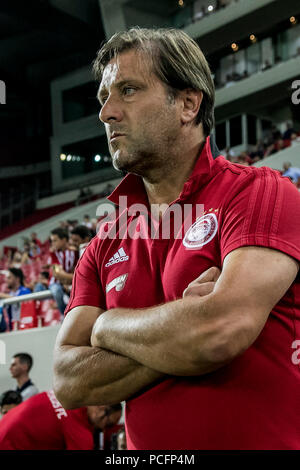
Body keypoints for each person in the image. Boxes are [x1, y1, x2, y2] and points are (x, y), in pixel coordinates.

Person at [53, 28, 300, 450]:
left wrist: (108, 326)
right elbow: (67, 380)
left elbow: (219, 332)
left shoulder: (260, 192)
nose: (107, 113)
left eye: (127, 90)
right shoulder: (104, 244)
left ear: (188, 104)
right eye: (103, 98)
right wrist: (184, 331)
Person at [0, 391, 122, 450]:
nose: (103, 430)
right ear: (101, 408)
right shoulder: (80, 432)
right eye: (108, 424)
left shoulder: (66, 392)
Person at [48, 228, 79, 316]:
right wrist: (65, 282)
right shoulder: (53, 253)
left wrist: (68, 282)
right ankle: (64, 315)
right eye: (51, 241)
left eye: (55, 240)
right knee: (57, 292)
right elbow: (57, 272)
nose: (52, 243)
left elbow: (75, 268)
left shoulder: (74, 252)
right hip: (56, 283)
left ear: (64, 240)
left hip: (69, 281)